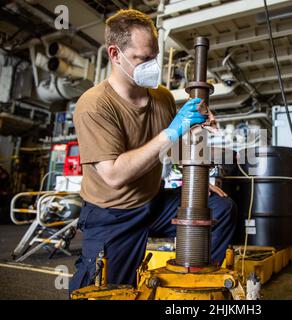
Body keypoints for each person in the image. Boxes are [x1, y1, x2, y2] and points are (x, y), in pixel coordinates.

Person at [69, 9, 236, 293]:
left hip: (153, 203)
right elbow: (113, 175)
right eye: (142, 59)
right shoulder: (94, 105)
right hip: (114, 214)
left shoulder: (161, 97)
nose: (152, 66)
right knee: (102, 291)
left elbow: (169, 150)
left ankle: (195, 286)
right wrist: (172, 131)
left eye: (154, 57)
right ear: (114, 54)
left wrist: (193, 143)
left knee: (220, 209)